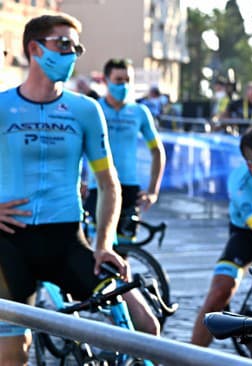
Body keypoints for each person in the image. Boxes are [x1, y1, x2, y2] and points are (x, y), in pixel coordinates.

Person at [0, 14, 160, 364]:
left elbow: (108, 183)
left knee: (145, 326)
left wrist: (104, 244)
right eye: (64, 45)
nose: (73, 54)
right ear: (34, 49)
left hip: (67, 242)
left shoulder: (85, 109)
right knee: (13, 354)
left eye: (77, 47)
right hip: (9, 244)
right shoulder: (2, 107)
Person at [190, 126, 252, 347]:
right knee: (219, 292)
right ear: (250, 165)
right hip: (248, 233)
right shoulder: (240, 185)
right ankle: (187, 359)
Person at [83, 58, 166, 240]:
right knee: (93, 251)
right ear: (106, 81)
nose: (124, 85)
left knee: (123, 253)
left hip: (128, 188)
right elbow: (79, 147)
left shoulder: (140, 112)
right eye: (118, 80)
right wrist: (79, 180)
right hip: (99, 187)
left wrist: (153, 191)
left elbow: (157, 151)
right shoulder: (95, 109)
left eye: (128, 80)